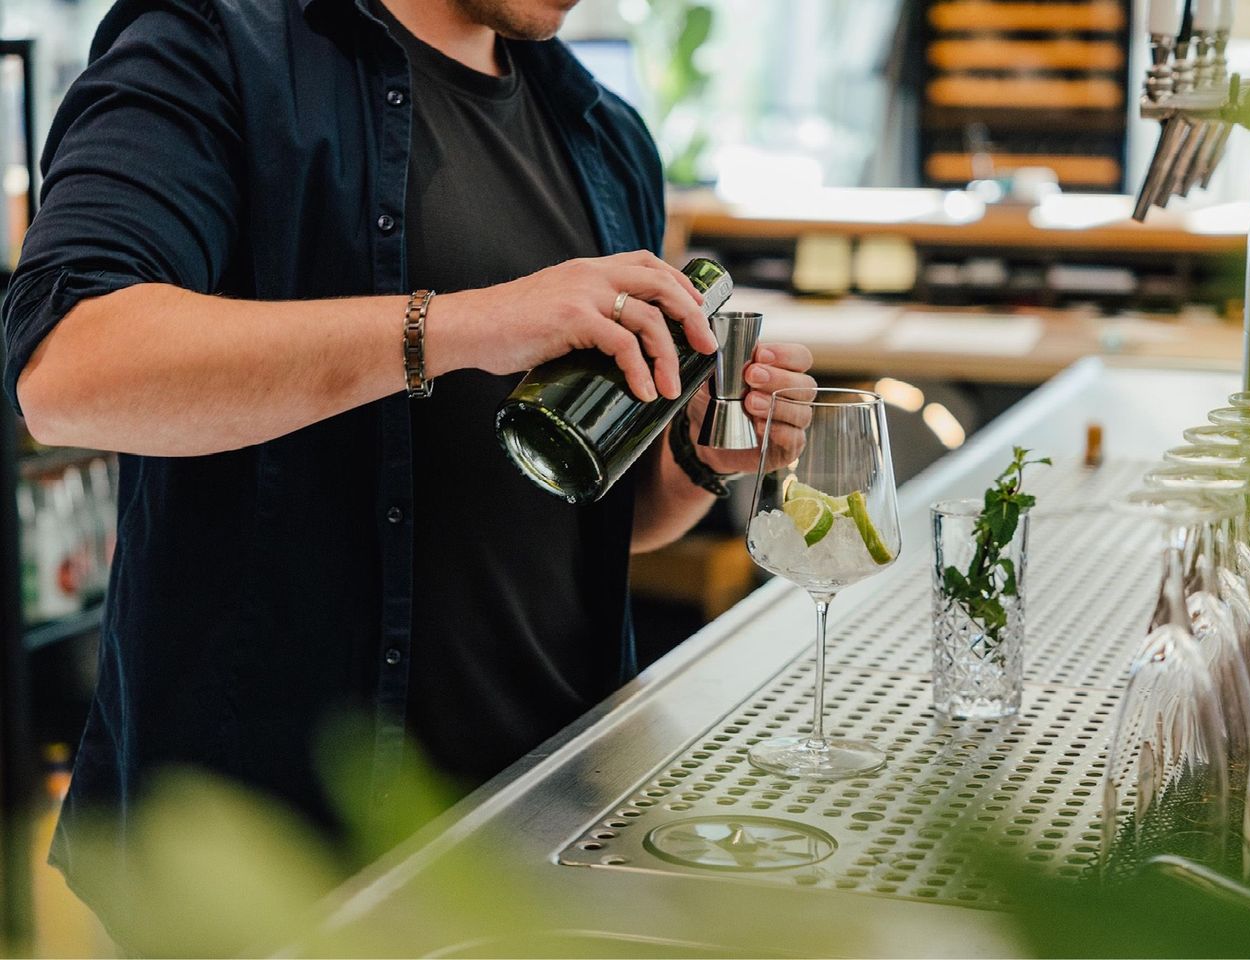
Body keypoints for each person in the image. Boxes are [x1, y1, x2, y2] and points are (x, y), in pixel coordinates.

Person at [1, 0, 814, 928]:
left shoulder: (602, 133)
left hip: (552, 835)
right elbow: (69, 368)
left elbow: (596, 529)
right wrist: (463, 324)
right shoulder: (216, 43)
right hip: (268, 867)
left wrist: (697, 459)